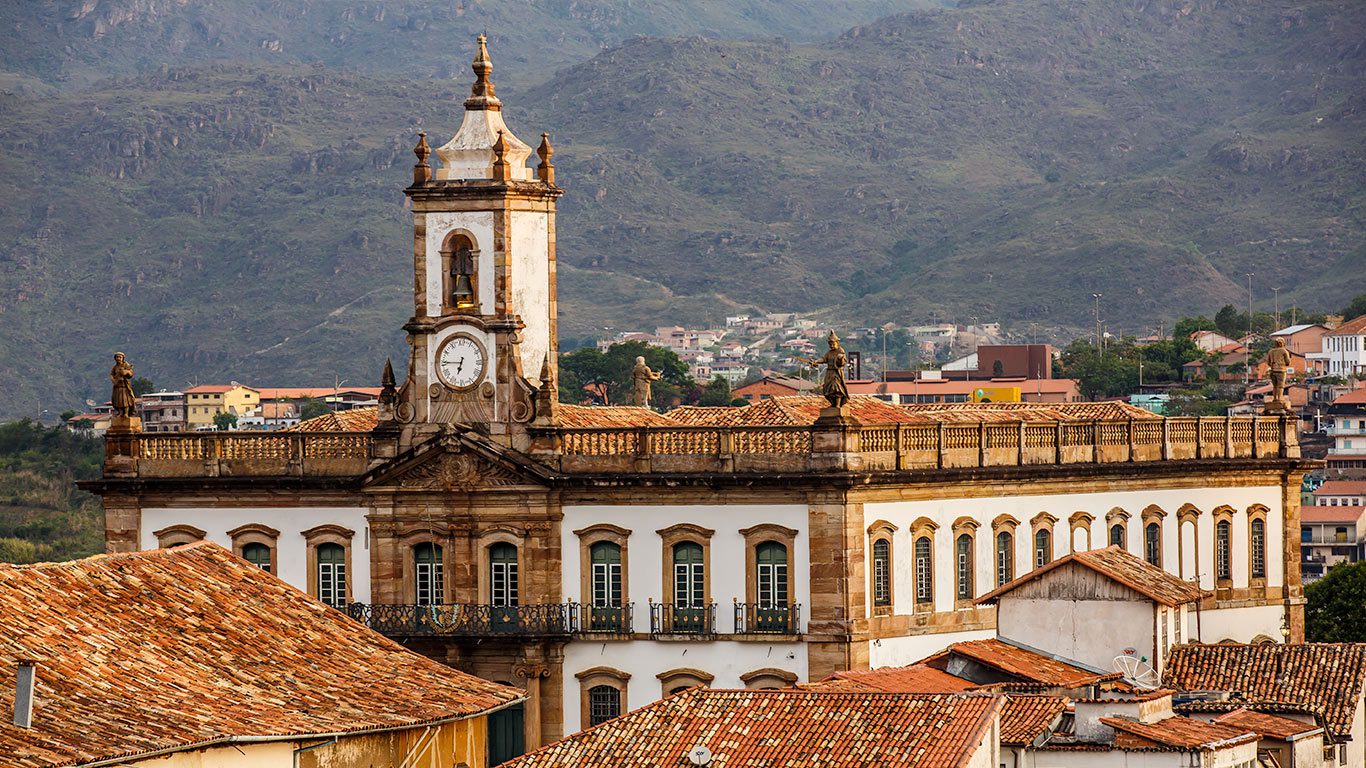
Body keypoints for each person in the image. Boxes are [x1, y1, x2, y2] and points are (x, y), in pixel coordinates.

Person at [802, 331, 850, 409]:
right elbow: (824, 359)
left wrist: (840, 358)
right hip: (829, 373)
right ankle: (833, 403)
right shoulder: (829, 353)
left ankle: (837, 404)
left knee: (836, 388)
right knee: (827, 389)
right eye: (830, 344)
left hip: (836, 373)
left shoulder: (840, 352)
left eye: (833, 344)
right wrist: (816, 361)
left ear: (837, 343)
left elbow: (842, 363)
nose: (831, 346)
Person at [1265, 337, 1292, 408]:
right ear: (1282, 343)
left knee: (1274, 386)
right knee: (1281, 386)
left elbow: (1268, 362)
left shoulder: (1271, 351)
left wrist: (1273, 365)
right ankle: (1279, 399)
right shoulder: (1284, 351)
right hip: (1281, 370)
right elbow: (1288, 362)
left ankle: (1275, 398)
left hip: (1273, 370)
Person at [110, 352, 137, 418]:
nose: (118, 359)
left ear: (123, 358)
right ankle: (120, 412)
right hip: (117, 387)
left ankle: (126, 413)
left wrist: (126, 372)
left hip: (125, 387)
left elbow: (130, 374)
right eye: (117, 357)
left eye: (120, 357)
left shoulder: (126, 365)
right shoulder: (115, 367)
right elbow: (111, 375)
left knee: (125, 401)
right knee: (118, 401)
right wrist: (114, 380)